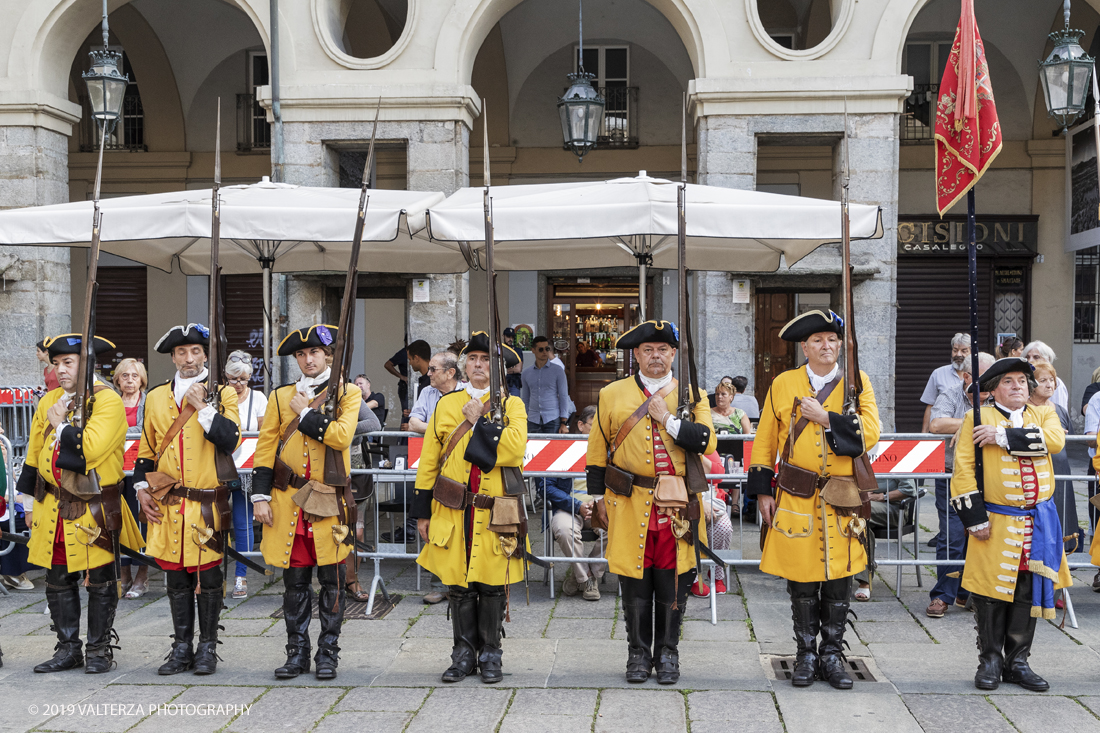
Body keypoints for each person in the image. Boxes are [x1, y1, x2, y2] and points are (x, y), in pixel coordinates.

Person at [748, 310, 880, 690]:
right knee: (802, 582)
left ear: (842, 345)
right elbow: (765, 440)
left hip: (842, 496)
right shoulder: (784, 382)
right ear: (804, 347)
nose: (827, 346)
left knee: (839, 579)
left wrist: (826, 417)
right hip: (795, 494)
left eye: (833, 340)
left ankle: (833, 656)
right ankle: (805, 654)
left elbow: (869, 433)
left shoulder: (857, 382)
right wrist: (761, 491)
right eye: (819, 341)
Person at [585, 319, 717, 685]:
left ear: (674, 353)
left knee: (673, 582)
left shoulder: (694, 395)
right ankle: (639, 655)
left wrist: (668, 420)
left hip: (677, 505)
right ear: (636, 356)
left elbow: (707, 441)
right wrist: (596, 499)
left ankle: (668, 655)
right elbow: (597, 451)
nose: (655, 356)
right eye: (647, 350)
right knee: (635, 581)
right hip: (628, 503)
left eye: (662, 349)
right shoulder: (612, 394)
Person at [15, 334, 144, 674]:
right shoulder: (50, 401)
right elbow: (33, 453)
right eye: (56, 363)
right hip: (52, 505)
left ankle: (99, 650)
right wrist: (27, 502)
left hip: (93, 505)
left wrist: (61, 424)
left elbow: (88, 451)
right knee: (57, 577)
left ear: (87, 364)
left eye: (68, 362)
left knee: (100, 579)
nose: (60, 370)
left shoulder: (108, 402)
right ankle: (68, 648)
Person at [410, 331, 528, 684]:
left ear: (500, 369)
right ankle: (462, 655)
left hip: (494, 511)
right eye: (473, 359)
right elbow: (430, 461)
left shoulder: (512, 406)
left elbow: (512, 450)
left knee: (492, 587)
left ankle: (491, 655)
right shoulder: (446, 405)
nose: (479, 365)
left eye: (486, 360)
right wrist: (422, 512)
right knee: (459, 586)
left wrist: (482, 420)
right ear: (464, 365)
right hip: (452, 510)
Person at [953, 357, 1071, 692]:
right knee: (992, 593)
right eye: (1008, 381)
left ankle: (1018, 661)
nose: (1018, 385)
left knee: (1026, 590)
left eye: (1022, 380)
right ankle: (990, 660)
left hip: (1038, 522)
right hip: (998, 520)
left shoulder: (1044, 413)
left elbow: (1055, 441)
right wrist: (974, 519)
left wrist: (1002, 436)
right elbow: (962, 472)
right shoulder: (975, 418)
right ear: (992, 390)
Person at [251, 325, 361, 680]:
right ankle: (296, 653)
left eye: (314, 352)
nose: (307, 359)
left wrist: (306, 414)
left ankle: (328, 654)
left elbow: (342, 437)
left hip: (329, 503)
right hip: (289, 503)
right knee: (294, 582)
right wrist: (260, 496)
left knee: (332, 580)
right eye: (301, 354)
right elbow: (266, 448)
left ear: (328, 355)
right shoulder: (281, 396)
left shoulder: (348, 393)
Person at [134, 324, 241, 676]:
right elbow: (147, 450)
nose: (189, 358)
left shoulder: (223, 393)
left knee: (208, 578)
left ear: (206, 355)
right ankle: (181, 647)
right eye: (181, 352)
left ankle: (207, 647)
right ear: (173, 357)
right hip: (167, 502)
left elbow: (231, 440)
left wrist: (203, 407)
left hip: (206, 503)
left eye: (195, 351)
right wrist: (141, 489)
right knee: (176, 578)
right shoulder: (154, 397)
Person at [926, 352, 994, 618]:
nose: (988, 386)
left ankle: (969, 592)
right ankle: (943, 596)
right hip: (952, 476)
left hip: (989, 478)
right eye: (981, 379)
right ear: (966, 377)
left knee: (983, 534)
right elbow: (936, 423)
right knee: (952, 536)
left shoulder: (997, 396)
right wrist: (972, 424)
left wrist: (967, 426)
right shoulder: (952, 394)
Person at [547, 405, 604, 601]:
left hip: (600, 506)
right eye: (595, 425)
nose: (601, 430)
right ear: (580, 425)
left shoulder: (610, 449)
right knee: (563, 530)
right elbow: (546, 486)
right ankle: (587, 578)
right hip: (568, 507)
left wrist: (599, 504)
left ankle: (583, 575)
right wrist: (575, 504)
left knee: (619, 528)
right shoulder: (560, 447)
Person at [1029, 361, 1081, 561]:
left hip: (1060, 467)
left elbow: (1074, 442)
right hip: (1038, 469)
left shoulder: (1060, 409)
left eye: (1052, 380)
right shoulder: (1025, 409)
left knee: (1062, 509)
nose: (1049, 384)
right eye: (1043, 380)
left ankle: (1064, 554)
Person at [225, 350, 267, 599]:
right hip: (219, 466)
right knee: (212, 520)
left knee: (242, 522)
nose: (238, 384)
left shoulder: (259, 398)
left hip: (246, 469)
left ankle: (241, 575)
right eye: (233, 379)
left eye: (243, 379)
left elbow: (264, 433)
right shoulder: (218, 396)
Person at [113, 358, 150, 599]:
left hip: (141, 471)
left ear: (142, 380)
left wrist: (121, 434)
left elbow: (149, 430)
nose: (129, 380)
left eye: (134, 376)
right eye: (124, 376)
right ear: (116, 380)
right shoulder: (110, 402)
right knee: (119, 519)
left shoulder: (149, 402)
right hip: (116, 470)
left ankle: (143, 575)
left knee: (143, 519)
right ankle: (123, 573)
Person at [853, 476, 919, 600]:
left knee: (859, 513)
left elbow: (909, 489)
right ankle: (866, 568)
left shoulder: (895, 457)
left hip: (893, 508)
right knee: (859, 523)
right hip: (862, 504)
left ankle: (864, 581)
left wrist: (881, 496)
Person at [522, 336, 572, 436]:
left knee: (553, 450)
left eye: (547, 349)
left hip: (552, 419)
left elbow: (563, 396)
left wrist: (563, 422)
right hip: (532, 419)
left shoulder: (558, 371)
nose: (545, 352)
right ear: (533, 350)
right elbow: (525, 398)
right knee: (533, 450)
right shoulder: (526, 373)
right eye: (541, 349)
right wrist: (525, 417)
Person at [920, 333, 970, 432]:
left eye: (964, 351)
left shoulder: (979, 374)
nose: (958, 354)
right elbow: (930, 405)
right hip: (943, 434)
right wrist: (924, 436)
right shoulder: (938, 374)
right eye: (955, 350)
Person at [409, 352, 460, 434]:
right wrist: (440, 429)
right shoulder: (427, 392)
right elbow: (412, 424)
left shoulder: (468, 392)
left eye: (433, 369)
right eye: (429, 369)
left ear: (450, 373)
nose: (428, 373)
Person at [384, 339, 431, 422]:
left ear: (416, 358)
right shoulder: (425, 380)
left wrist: (412, 427)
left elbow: (433, 411)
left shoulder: (433, 381)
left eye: (410, 359)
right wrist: (414, 413)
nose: (409, 363)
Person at [1021, 341, 1068, 412]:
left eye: (1036, 357)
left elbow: (1059, 413)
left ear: (1047, 359)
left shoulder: (1056, 383)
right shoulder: (1022, 381)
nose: (1030, 360)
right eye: (1027, 357)